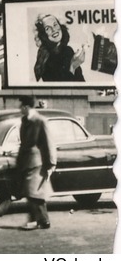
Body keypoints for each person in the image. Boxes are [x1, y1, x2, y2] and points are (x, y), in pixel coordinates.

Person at [15, 94, 57, 230]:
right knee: (32, 192)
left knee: (33, 191)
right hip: (26, 161)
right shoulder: (25, 121)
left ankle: (38, 221)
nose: (19, 108)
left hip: (37, 162)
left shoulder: (40, 121)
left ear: (26, 107)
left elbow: (49, 143)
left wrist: (51, 164)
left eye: (21, 106)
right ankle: (42, 221)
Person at [33, 13, 85, 83]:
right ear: (43, 34)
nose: (54, 30)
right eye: (47, 28)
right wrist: (73, 66)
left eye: (55, 25)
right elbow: (62, 91)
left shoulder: (68, 51)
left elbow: (82, 85)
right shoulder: (45, 58)